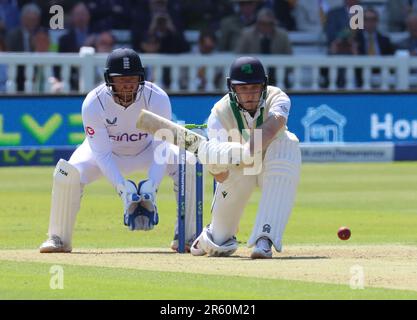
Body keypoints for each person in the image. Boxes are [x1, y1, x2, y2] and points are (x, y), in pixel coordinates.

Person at [39, 48, 198, 253]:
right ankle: (58, 238)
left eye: (132, 78)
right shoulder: (93, 103)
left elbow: (162, 148)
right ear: (109, 80)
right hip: (106, 154)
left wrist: (152, 187)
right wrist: (123, 190)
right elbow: (102, 154)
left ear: (141, 78)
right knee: (67, 174)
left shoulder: (157, 98)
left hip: (149, 150)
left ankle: (186, 235)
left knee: (190, 164)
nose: (127, 85)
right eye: (120, 79)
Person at [190, 56, 301, 259]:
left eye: (254, 88)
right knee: (219, 244)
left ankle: (264, 239)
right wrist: (215, 163)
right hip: (240, 170)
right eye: (243, 89)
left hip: (272, 161)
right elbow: (221, 177)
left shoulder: (278, 97)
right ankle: (211, 236)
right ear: (232, 88)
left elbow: (273, 127)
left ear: (264, 86)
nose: (249, 95)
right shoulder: (218, 114)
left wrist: (245, 150)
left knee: (288, 142)